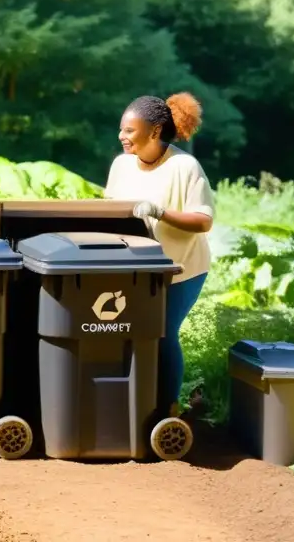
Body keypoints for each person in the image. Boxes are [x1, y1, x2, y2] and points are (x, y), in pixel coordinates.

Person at [105, 92, 214, 417]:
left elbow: (203, 220)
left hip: (181, 270)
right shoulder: (121, 166)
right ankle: (132, 404)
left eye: (129, 130)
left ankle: (169, 410)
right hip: (136, 269)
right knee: (127, 333)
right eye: (122, 130)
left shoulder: (184, 167)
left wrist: (160, 212)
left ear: (153, 132)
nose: (122, 137)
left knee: (164, 333)